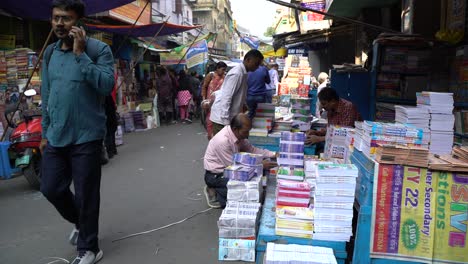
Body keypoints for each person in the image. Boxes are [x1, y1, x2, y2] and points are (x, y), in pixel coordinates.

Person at [39, 1, 115, 263]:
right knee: (50, 188)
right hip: (56, 135)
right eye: (56, 18)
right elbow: (48, 93)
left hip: (87, 135)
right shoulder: (49, 53)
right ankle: (79, 223)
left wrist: (81, 53)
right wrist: (44, 131)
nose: (60, 24)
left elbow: (106, 86)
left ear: (79, 21)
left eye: (66, 19)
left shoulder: (99, 49)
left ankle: (89, 249)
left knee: (86, 194)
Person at [203, 113, 277, 208]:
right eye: (245, 132)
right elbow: (234, 168)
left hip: (229, 168)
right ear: (235, 129)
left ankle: (221, 191)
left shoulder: (238, 135)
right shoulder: (223, 141)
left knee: (255, 183)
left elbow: (252, 150)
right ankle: (215, 192)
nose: (248, 135)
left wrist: (273, 154)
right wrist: (260, 164)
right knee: (245, 193)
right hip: (217, 175)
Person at [210, 49, 264, 136]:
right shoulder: (237, 73)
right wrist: (226, 123)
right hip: (223, 119)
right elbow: (227, 97)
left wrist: (244, 105)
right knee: (224, 146)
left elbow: (238, 93)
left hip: (229, 117)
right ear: (248, 60)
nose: (257, 67)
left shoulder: (243, 73)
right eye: (256, 64)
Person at [201, 62, 227, 140]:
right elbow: (204, 87)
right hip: (209, 102)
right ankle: (211, 141)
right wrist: (204, 100)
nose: (224, 71)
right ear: (217, 68)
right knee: (209, 122)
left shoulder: (225, 77)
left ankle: (217, 142)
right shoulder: (211, 75)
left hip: (219, 103)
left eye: (225, 70)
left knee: (217, 122)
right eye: (222, 69)